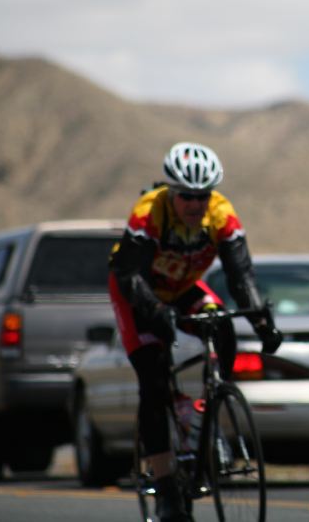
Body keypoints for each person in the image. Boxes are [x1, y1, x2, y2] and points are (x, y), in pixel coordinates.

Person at [108, 141, 282, 521]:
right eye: (186, 196)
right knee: (153, 380)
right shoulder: (149, 212)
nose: (195, 204)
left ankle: (207, 415)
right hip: (138, 292)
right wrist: (154, 312)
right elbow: (128, 274)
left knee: (223, 330)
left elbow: (241, 277)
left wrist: (263, 323)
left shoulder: (222, 214)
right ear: (171, 192)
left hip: (184, 287)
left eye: (202, 196)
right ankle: (167, 486)